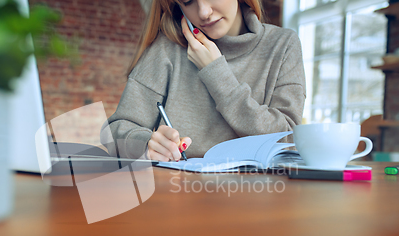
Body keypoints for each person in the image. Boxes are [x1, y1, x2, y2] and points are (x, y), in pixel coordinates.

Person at [101, 0, 306, 162]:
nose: (203, 12)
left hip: (259, 198)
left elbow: (287, 140)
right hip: (176, 198)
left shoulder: (283, 44)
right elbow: (115, 131)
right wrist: (147, 144)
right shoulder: (167, 49)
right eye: (187, 0)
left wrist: (215, 72)